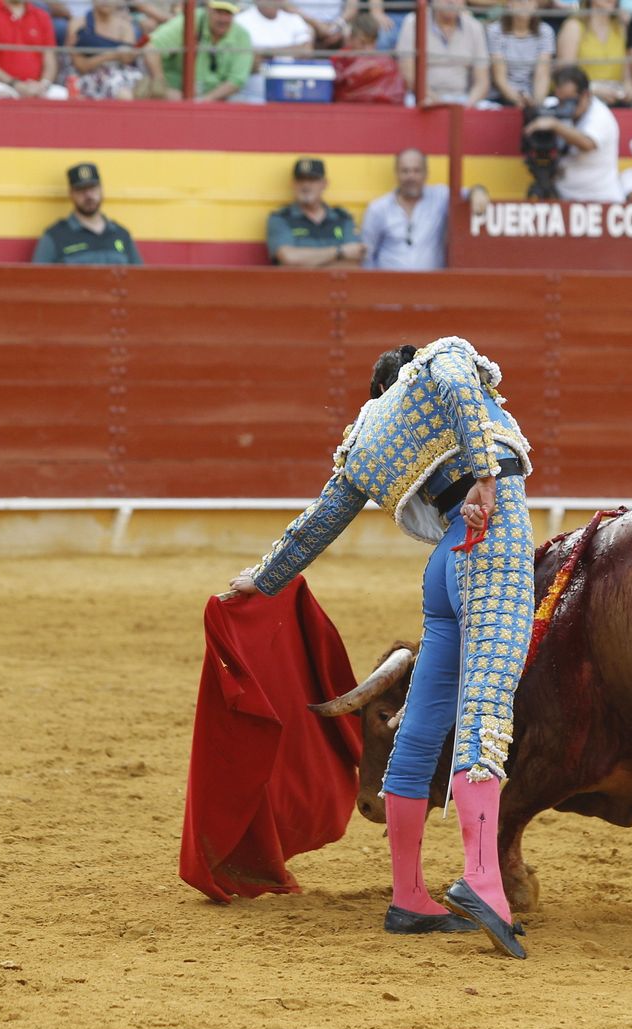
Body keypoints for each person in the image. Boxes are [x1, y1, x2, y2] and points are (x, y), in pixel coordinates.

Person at [225, 337, 533, 961]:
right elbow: (460, 382)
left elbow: (322, 520)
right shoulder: (441, 362)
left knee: (419, 728)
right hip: (491, 538)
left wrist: (261, 579)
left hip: (445, 564)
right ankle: (481, 879)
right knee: (486, 707)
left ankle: (409, 897)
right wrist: (484, 475)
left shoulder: (368, 438)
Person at [360, 147, 491, 270]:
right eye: (405, 171)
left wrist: (478, 193)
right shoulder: (378, 208)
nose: (411, 176)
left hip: (432, 284)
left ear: (426, 173)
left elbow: (470, 192)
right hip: (388, 284)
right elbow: (367, 255)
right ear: (397, 173)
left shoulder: (439, 197)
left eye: (416, 171)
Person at [522, 64, 624, 202]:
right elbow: (536, 113)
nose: (565, 107)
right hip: (564, 197)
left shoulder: (600, 115)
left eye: (570, 101)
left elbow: (587, 144)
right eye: (561, 101)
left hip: (600, 200)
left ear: (586, 95)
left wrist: (555, 125)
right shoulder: (553, 107)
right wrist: (531, 110)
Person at [32, 162, 144, 265]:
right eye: (81, 189)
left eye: (92, 188)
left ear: (101, 189)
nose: (88, 195)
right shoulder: (55, 237)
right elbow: (37, 278)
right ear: (71, 194)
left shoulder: (121, 234)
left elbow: (140, 277)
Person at [267, 157, 365, 267]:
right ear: (293, 184)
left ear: (324, 183)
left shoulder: (342, 218)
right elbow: (288, 258)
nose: (306, 185)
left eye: (312, 180)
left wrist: (304, 262)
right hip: (300, 281)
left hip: (333, 281)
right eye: (301, 180)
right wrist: (339, 252)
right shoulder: (281, 218)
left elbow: (352, 263)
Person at [147, 0, 252, 101]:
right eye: (219, 12)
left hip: (214, 100)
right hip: (176, 93)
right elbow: (151, 46)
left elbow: (237, 80)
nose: (223, 19)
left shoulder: (242, 35)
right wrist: (162, 86)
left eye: (228, 13)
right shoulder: (191, 19)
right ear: (208, 9)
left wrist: (204, 100)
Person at [396, 0, 491, 107]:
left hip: (462, 100)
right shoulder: (413, 22)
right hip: (422, 99)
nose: (451, 1)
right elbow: (408, 75)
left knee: (494, 111)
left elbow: (482, 82)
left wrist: (468, 105)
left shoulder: (475, 27)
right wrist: (437, 103)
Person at [0, 0, 69, 98]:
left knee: (64, 96)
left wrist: (43, 85)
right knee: (2, 95)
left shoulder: (42, 15)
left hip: (37, 86)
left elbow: (50, 61)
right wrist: (16, 85)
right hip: (0, 84)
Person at [231, 0, 314, 104]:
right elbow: (247, 63)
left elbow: (306, 51)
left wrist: (265, 53)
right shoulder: (240, 20)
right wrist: (290, 53)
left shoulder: (294, 19)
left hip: (294, 95)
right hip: (251, 97)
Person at [64, 0, 149, 100]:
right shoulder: (78, 24)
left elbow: (128, 60)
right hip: (90, 78)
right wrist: (112, 55)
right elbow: (81, 66)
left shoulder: (125, 26)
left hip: (123, 76)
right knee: (124, 94)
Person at [556, 0, 632, 106]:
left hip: (617, 99)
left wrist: (629, 89)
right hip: (583, 102)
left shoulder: (620, 27)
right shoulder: (573, 26)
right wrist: (593, 90)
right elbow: (566, 75)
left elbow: (627, 74)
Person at [487, 0, 555, 107]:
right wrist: (517, 100)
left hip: (532, 97)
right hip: (501, 97)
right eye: (520, 1)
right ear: (509, 3)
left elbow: (542, 75)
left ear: (536, 5)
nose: (525, 4)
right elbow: (499, 78)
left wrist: (536, 103)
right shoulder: (495, 31)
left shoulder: (545, 32)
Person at [332, 12, 406, 103]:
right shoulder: (338, 58)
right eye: (362, 42)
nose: (367, 49)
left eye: (371, 43)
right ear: (351, 38)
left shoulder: (386, 64)